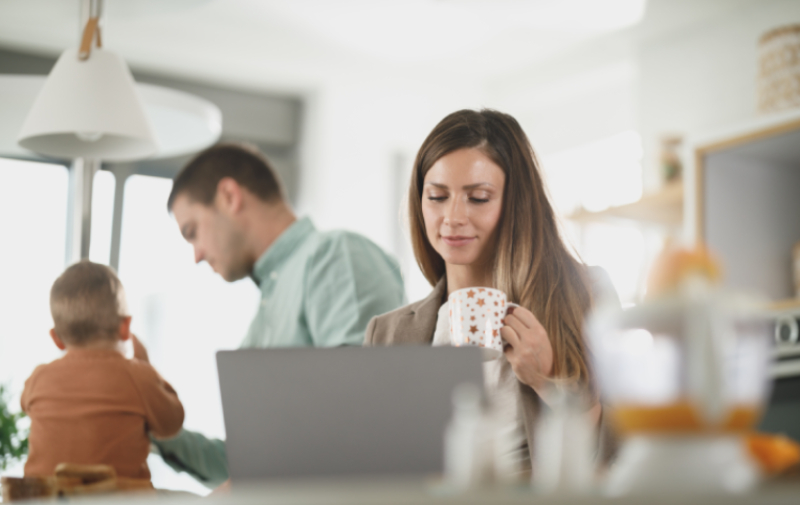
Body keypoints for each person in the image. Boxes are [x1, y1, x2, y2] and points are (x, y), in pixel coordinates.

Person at [364, 109, 621, 475]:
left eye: (478, 198)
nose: (452, 217)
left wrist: (548, 382)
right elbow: (371, 467)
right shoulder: (387, 333)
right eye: (437, 196)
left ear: (515, 204)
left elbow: (620, 453)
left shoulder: (587, 296)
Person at [150, 143, 406, 487]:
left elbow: (360, 418)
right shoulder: (264, 317)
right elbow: (248, 465)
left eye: (192, 231)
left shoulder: (334, 255)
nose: (195, 255)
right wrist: (147, 418)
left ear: (229, 195)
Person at [22, 261, 184, 482]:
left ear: (56, 338)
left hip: (42, 498)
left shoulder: (38, 379)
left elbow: (26, 405)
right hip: (113, 499)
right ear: (125, 327)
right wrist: (147, 368)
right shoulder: (137, 376)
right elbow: (172, 423)